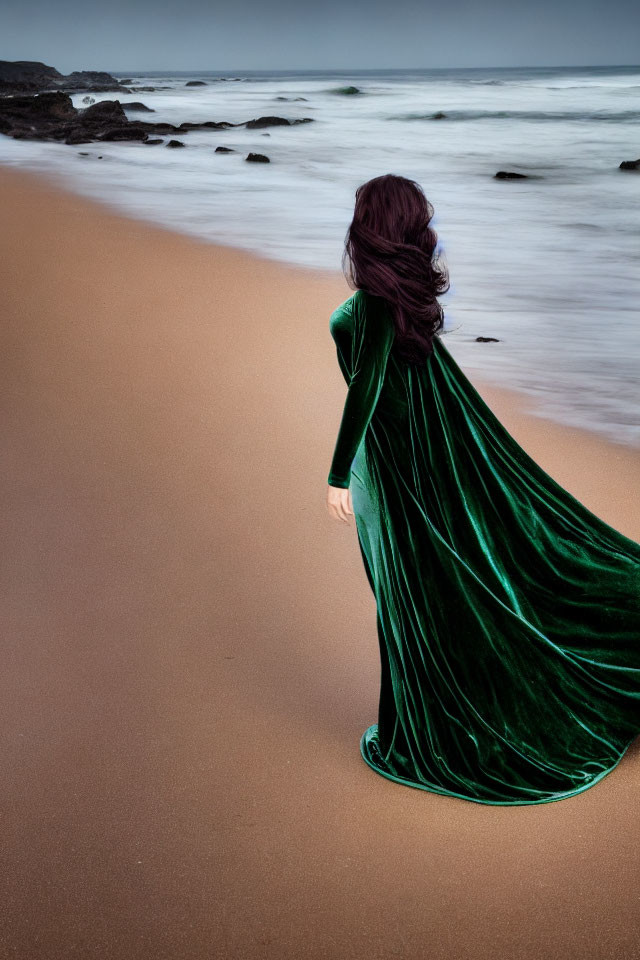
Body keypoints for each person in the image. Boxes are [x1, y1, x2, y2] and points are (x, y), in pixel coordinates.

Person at [325, 173, 640, 805]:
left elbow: (364, 386)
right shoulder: (397, 299)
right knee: (461, 573)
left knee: (424, 581)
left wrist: (336, 476)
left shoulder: (372, 307)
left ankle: (448, 724)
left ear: (372, 224)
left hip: (405, 465)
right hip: (424, 454)